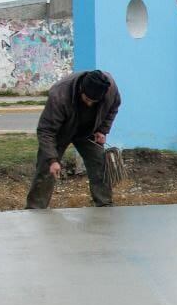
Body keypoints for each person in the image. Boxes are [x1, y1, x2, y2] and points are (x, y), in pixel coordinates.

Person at [25, 69, 121, 209]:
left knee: (100, 163)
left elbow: (114, 107)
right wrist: (52, 159)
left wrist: (102, 130)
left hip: (89, 131)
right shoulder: (59, 94)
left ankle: (104, 205)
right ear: (81, 89)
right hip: (60, 132)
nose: (90, 104)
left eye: (94, 102)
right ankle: (35, 209)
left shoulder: (109, 88)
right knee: (47, 169)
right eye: (87, 99)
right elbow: (46, 131)